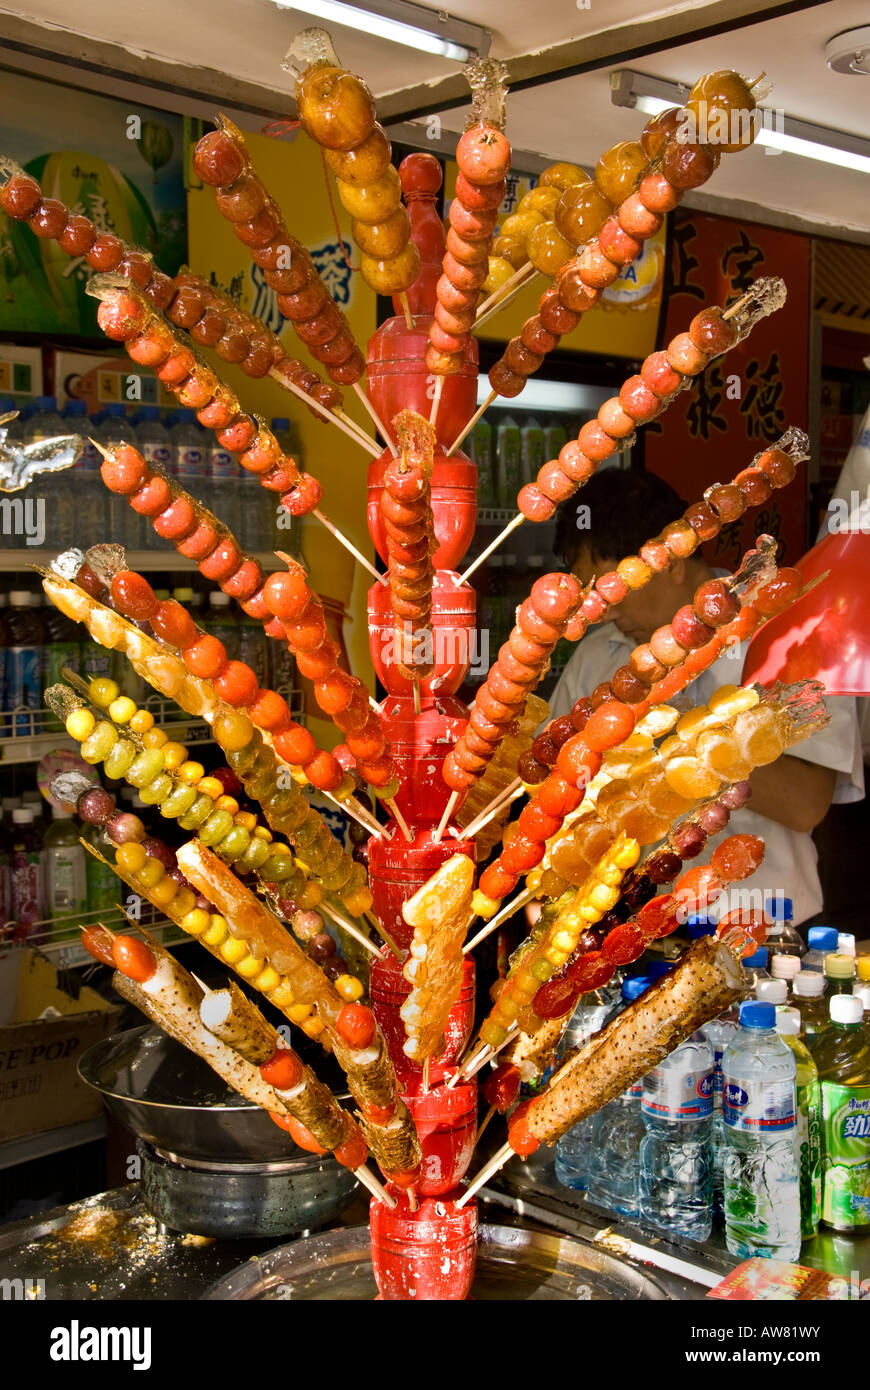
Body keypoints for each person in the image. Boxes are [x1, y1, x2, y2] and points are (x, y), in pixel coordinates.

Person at [548, 468, 865, 929]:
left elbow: (806, 804)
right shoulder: (599, 657)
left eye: (611, 591)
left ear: (671, 562)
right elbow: (556, 785)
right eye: (593, 599)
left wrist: (675, 732)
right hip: (624, 930)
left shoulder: (787, 631)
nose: (606, 614)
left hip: (759, 925)